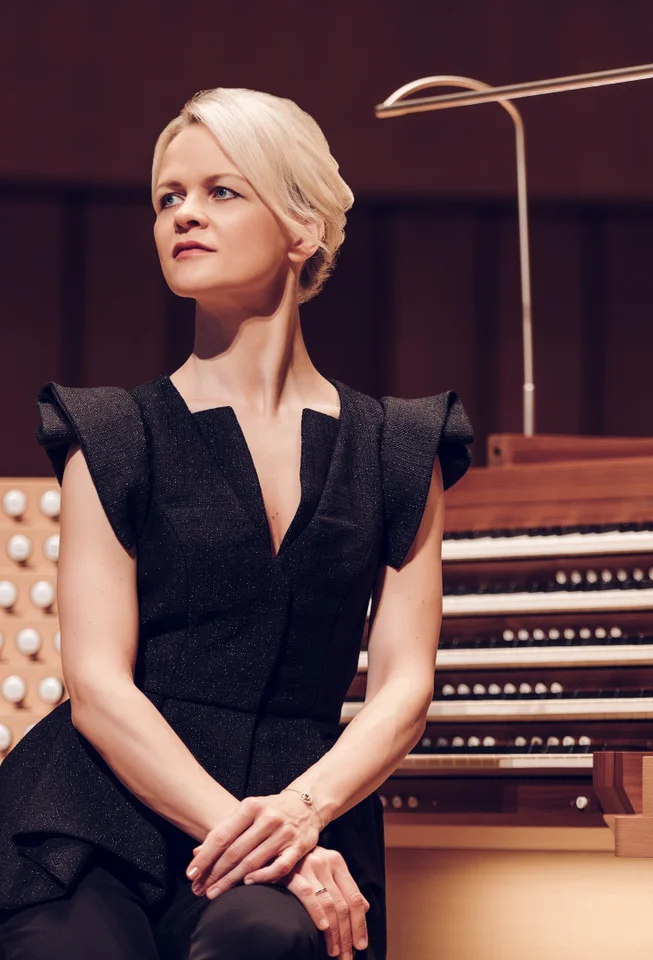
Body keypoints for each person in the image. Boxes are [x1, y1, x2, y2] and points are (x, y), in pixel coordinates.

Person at [0, 87, 474, 960]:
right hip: (100, 811)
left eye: (222, 191)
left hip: (299, 796)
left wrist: (299, 819)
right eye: (167, 197)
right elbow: (98, 687)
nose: (184, 214)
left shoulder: (401, 446)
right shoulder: (108, 430)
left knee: (259, 939)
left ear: (303, 230)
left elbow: (405, 687)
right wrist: (257, 837)